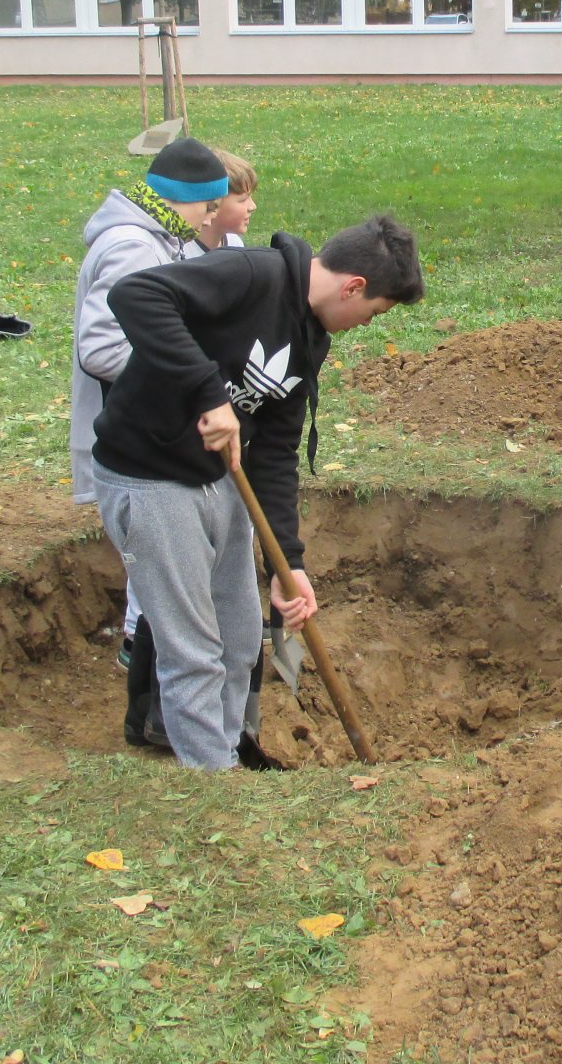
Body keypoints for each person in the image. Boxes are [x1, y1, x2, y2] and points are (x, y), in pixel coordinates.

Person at [92, 215, 425, 768]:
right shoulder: (251, 274)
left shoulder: (312, 336)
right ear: (354, 287)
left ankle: (225, 752)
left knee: (241, 638)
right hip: (149, 474)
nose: (367, 324)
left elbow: (274, 452)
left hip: (219, 477)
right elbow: (136, 295)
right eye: (375, 313)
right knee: (193, 650)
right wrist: (206, 393)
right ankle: (213, 781)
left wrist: (287, 564)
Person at [71, 138, 228, 674]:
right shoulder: (134, 247)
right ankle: (145, 656)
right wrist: (186, 376)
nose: (210, 218)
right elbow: (101, 348)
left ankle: (151, 651)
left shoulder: (160, 237)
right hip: (137, 429)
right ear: (183, 198)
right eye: (208, 207)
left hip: (152, 427)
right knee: (158, 552)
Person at [202, 151, 258, 251]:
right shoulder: (181, 256)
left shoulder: (234, 244)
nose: (253, 206)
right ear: (213, 204)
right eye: (243, 200)